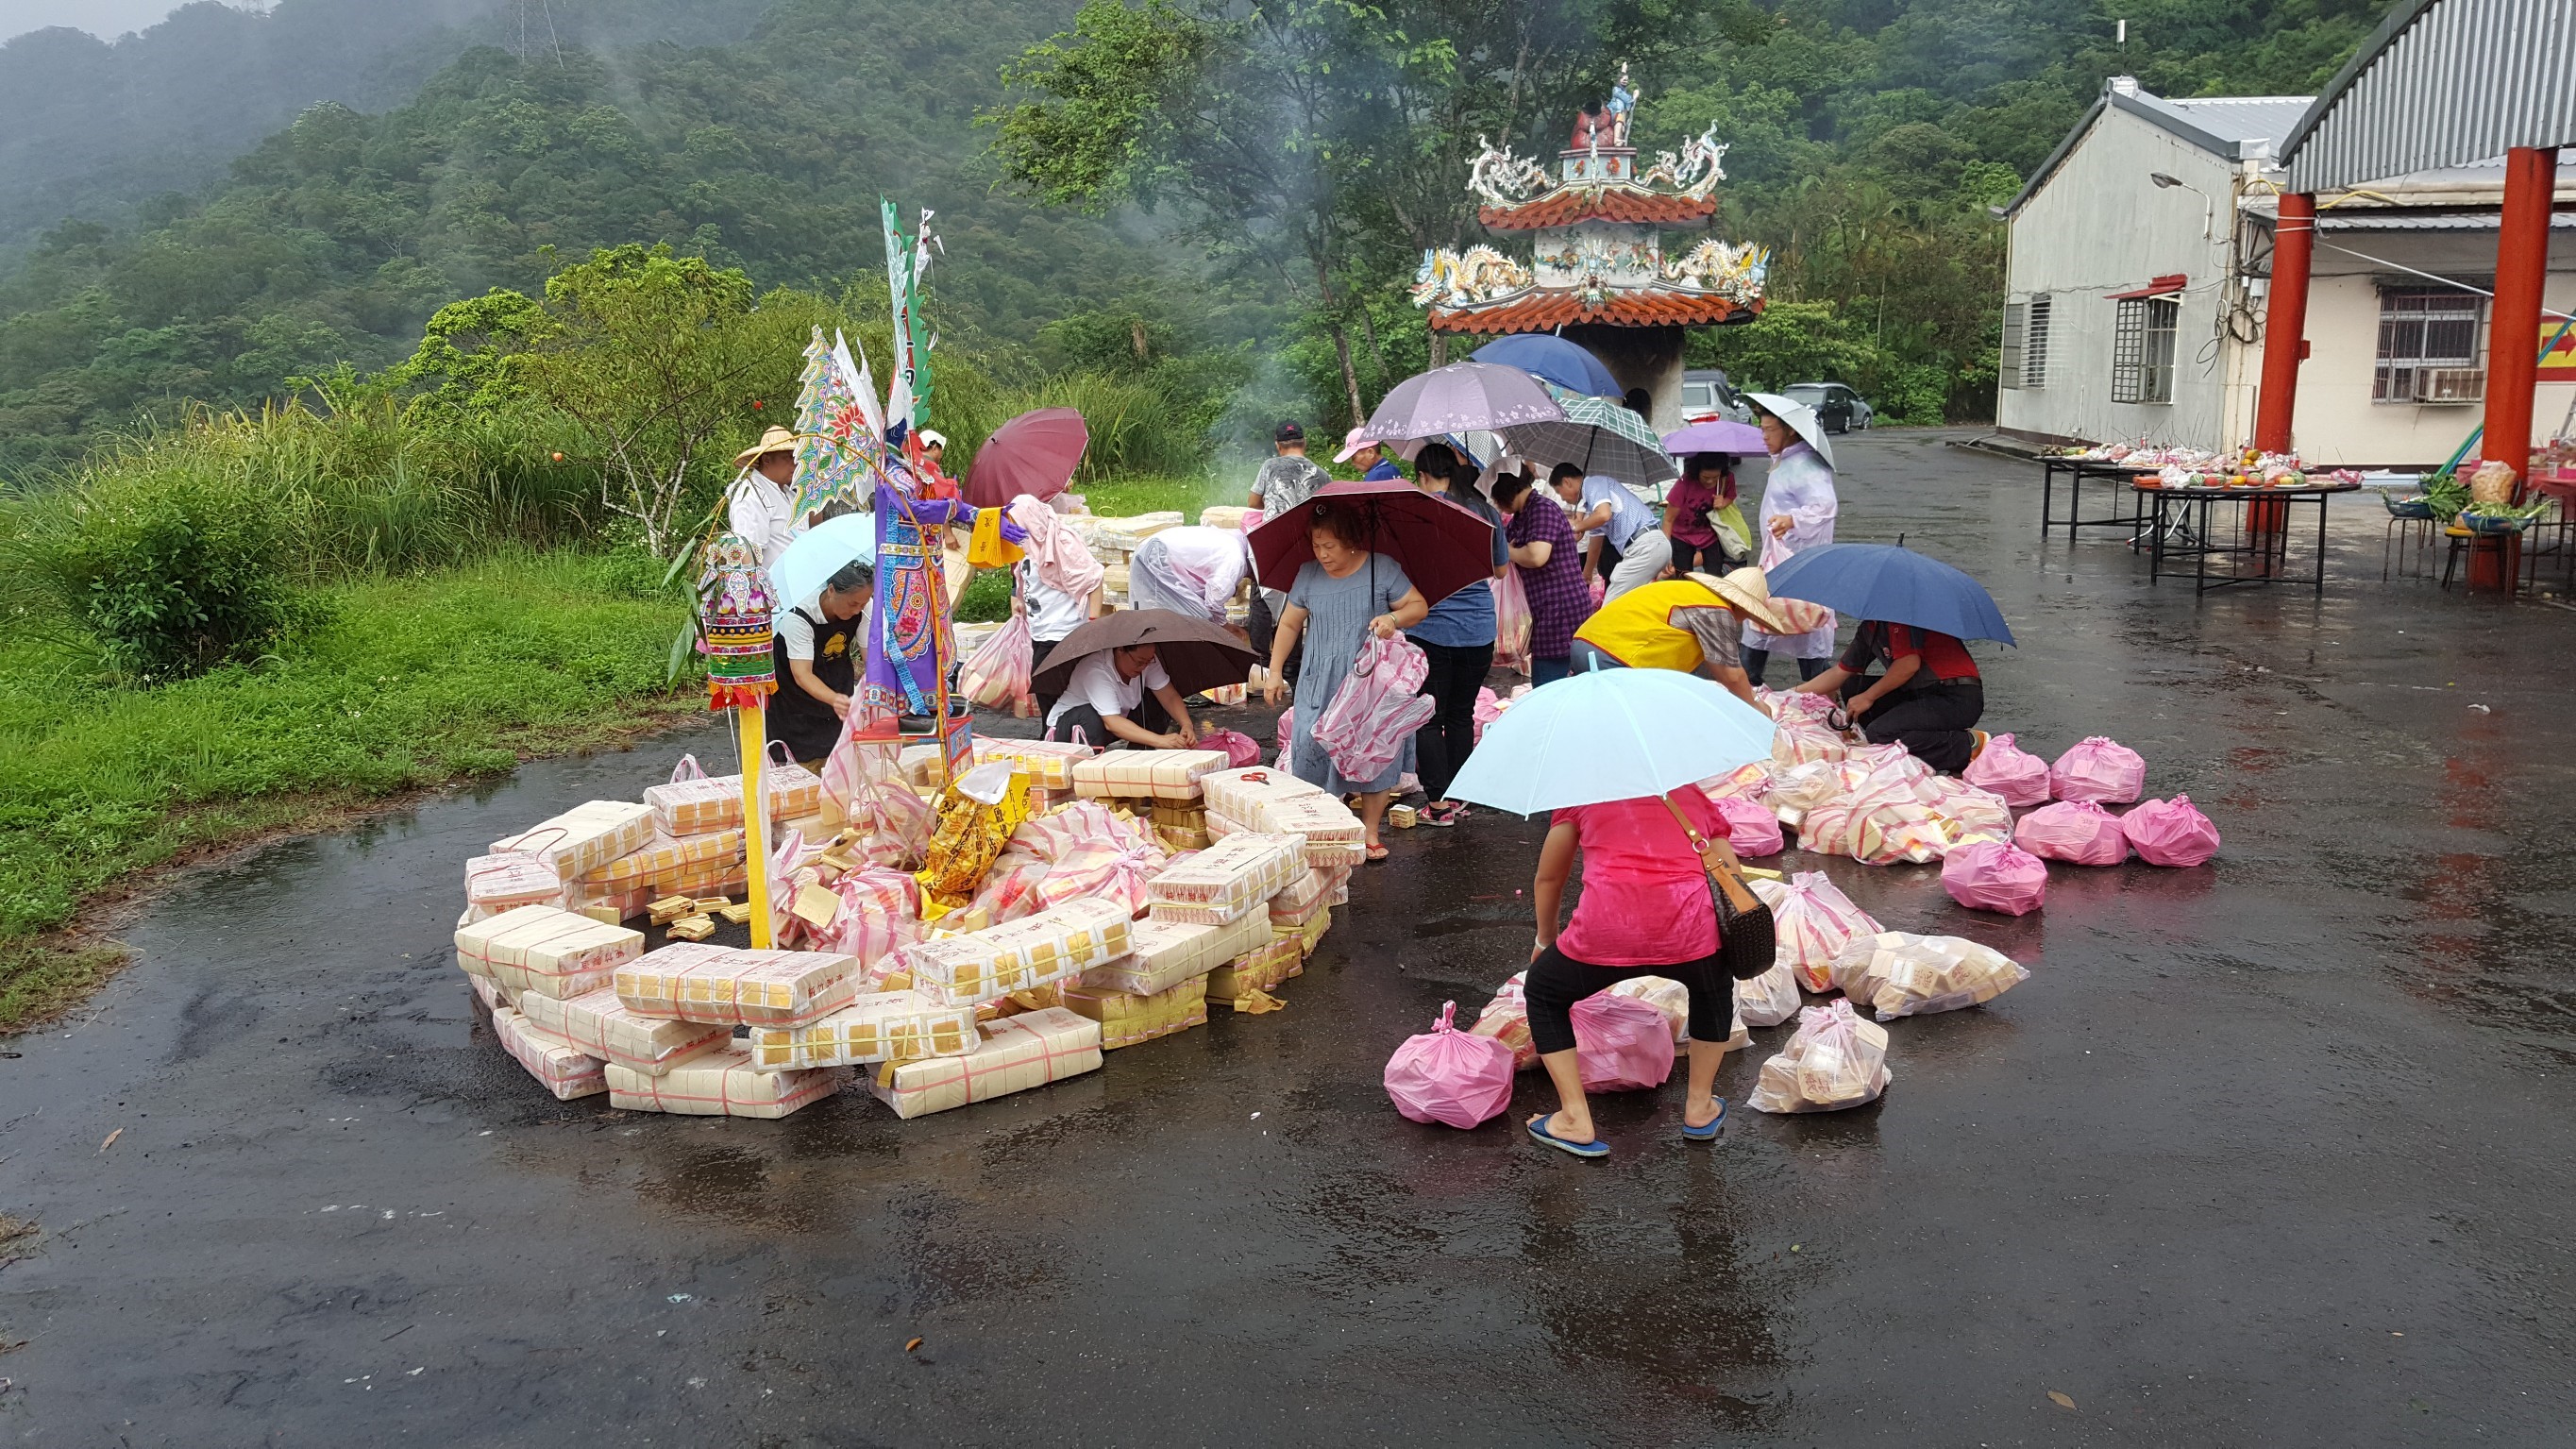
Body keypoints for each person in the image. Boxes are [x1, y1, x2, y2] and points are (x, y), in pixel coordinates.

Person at [1524, 786, 1741, 1157]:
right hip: (1690, 931)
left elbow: (1549, 878)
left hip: (1605, 929)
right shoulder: (1689, 794)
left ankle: (1574, 1117)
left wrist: (1545, 940)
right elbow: (1731, 873)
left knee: (1543, 990)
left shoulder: (1583, 795)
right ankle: (1700, 1106)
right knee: (1713, 986)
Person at [1261, 500, 1430, 862]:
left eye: (1330, 546)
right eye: (1316, 546)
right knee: (1311, 749)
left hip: (1370, 684)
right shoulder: (1308, 574)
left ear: (1351, 540)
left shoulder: (1382, 568)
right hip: (1319, 681)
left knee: (1375, 752)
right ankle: (1324, 826)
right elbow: (1289, 623)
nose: (1322, 554)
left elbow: (1418, 606)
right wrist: (1274, 672)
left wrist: (1392, 619)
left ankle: (1369, 832)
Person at [1403, 442, 1507, 827]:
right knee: (1462, 714)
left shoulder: (1418, 514)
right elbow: (1499, 570)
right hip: (1479, 629)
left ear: (1423, 476)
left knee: (1429, 717)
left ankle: (1438, 805)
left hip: (1431, 629)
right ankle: (1460, 796)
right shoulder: (1484, 510)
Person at [1567, 568, 1795, 712]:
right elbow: (1731, 674)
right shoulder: (1716, 610)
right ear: (1743, 607)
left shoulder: (1690, 592)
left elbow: (1717, 667)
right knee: (1636, 724)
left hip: (1586, 641)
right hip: (1613, 655)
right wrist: (1755, 707)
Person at [1791, 620, 1985, 773]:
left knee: (1881, 733)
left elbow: (1908, 665)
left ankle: (1966, 746)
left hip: (1955, 696)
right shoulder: (1870, 627)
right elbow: (1841, 673)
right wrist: (1787, 695)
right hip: (1919, 693)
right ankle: (1901, 746)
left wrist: (1868, 697)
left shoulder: (1904, 621)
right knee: (1853, 686)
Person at [1741, 403, 1840, 687]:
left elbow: (1824, 506)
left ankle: (1821, 696)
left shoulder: (1806, 465)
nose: (1764, 437)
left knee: (1805, 626)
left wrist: (1792, 520)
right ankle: (1747, 688)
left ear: (1790, 431)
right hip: (1778, 558)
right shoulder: (1785, 460)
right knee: (1760, 624)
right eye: (1762, 430)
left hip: (1801, 562)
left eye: (1770, 430)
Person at [771, 560, 872, 764]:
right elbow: (802, 674)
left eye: (863, 604)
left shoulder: (864, 608)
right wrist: (835, 699)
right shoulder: (798, 617)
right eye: (853, 604)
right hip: (794, 696)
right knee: (800, 763)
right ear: (832, 590)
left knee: (838, 755)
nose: (857, 610)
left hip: (836, 679)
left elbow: (870, 658)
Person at [1493, 469, 1589, 685]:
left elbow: (1536, 556)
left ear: (1505, 490)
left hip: (1560, 609)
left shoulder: (1542, 509)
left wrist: (1506, 550)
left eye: (1495, 497)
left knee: (1549, 682)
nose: (1497, 504)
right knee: (1553, 679)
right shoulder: (1521, 516)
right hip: (1543, 608)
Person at [1045, 642, 1202, 750]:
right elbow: (1112, 722)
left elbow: (1169, 696)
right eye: (1139, 662)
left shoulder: (1147, 661)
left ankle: (1139, 758)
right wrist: (1161, 740)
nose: (1144, 667)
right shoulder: (1096, 670)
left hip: (1113, 720)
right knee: (1091, 716)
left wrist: (1186, 725)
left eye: (1148, 661)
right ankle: (1088, 770)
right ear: (1120, 650)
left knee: (1154, 702)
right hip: (1070, 725)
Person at [1017, 553, 1097, 719]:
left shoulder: (1063, 546)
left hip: (1062, 633)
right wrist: (1022, 601)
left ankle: (1058, 731)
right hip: (1039, 631)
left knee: (1051, 693)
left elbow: (1094, 578)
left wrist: (1093, 622)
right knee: (1045, 693)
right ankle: (1052, 730)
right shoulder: (1028, 546)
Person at [1552, 462, 1655, 589]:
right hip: (1646, 545)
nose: (1562, 498)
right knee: (1626, 596)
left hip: (1643, 543)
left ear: (1567, 482)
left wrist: (1576, 527)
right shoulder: (1593, 505)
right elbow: (1595, 544)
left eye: (1559, 492)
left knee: (1614, 598)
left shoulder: (1593, 483)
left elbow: (1604, 515)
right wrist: (1587, 572)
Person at [1125, 525, 1250, 627]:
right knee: (1195, 623)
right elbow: (1214, 601)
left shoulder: (1235, 540)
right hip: (1156, 559)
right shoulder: (1236, 559)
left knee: (1168, 622)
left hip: (1156, 552)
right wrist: (1225, 626)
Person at [726, 426, 813, 567]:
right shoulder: (752, 495)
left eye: (796, 457)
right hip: (773, 579)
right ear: (767, 460)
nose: (795, 463)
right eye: (788, 457)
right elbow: (748, 557)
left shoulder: (789, 493)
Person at [1663, 452, 1751, 576]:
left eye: (1715, 477)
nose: (1710, 481)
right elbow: (1668, 519)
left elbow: (1731, 496)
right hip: (1682, 536)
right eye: (1705, 477)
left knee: (1715, 575)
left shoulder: (1726, 478)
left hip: (1710, 535)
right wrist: (1666, 552)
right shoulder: (1684, 483)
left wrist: (1723, 502)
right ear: (1696, 472)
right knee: (1683, 575)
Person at [1248, 420, 1331, 517]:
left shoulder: (1270, 466)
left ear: (1277, 445)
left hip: (1275, 526)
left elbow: (1253, 503)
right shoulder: (1323, 475)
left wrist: (1271, 506)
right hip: (1307, 526)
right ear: (1304, 442)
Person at [1336, 429, 1403, 481]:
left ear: (1371, 453)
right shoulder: (1394, 469)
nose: (1353, 463)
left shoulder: (1373, 478)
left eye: (1354, 457)